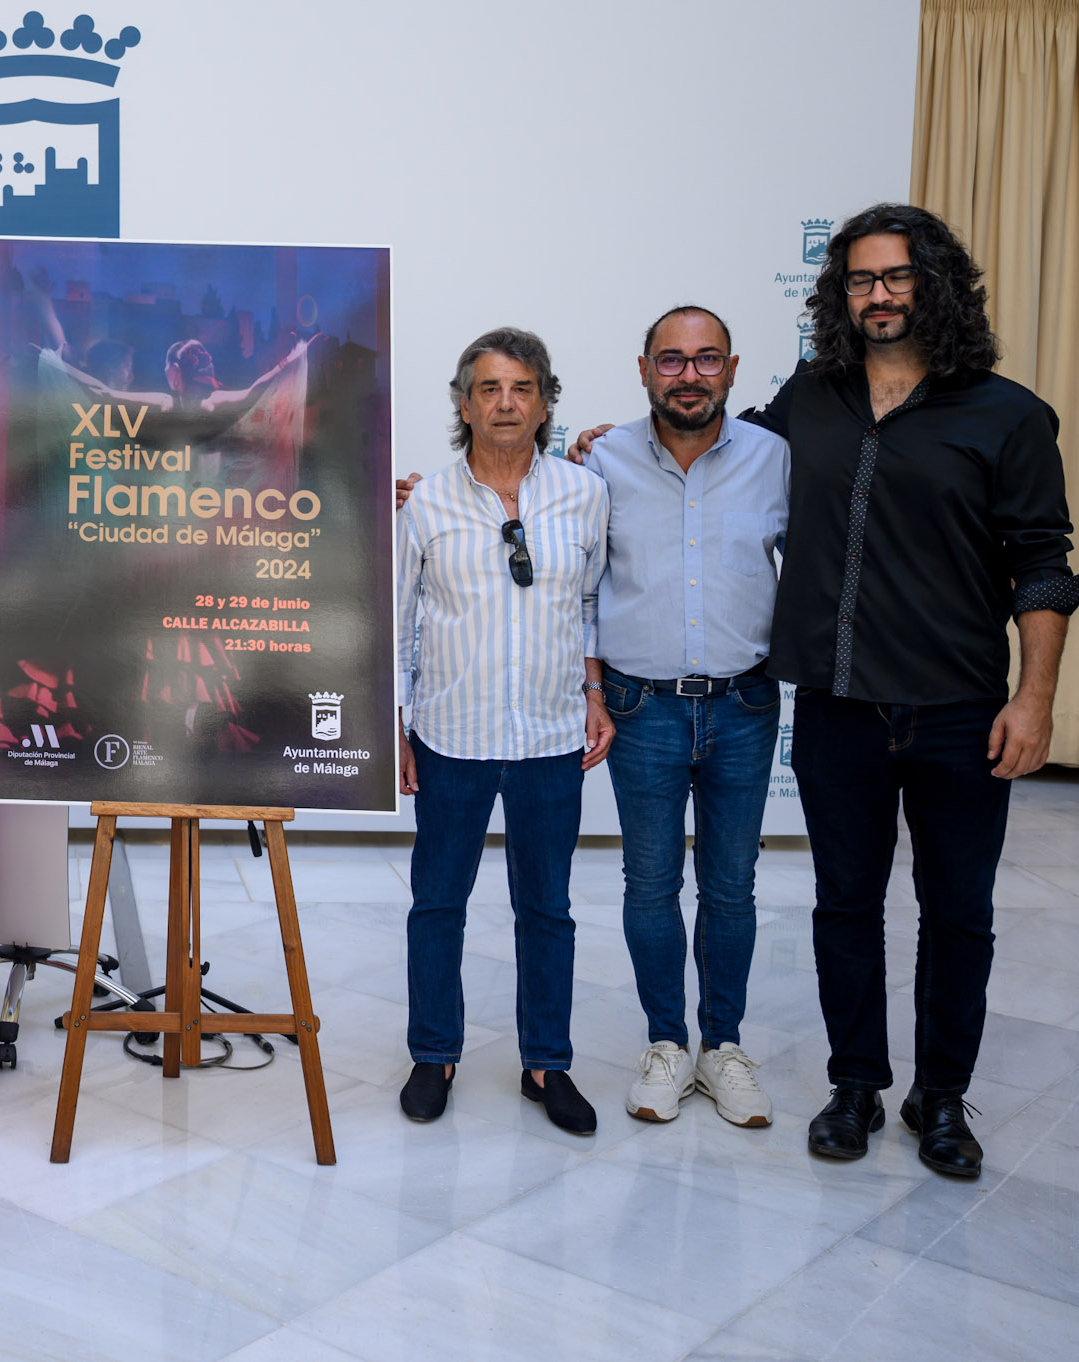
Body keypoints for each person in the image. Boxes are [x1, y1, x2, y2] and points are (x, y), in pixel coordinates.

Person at [749, 206, 1074, 1176]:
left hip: (957, 709)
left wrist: (1034, 698)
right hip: (837, 706)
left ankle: (939, 1097)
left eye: (895, 277)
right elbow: (718, 471)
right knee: (843, 904)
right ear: (836, 293)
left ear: (935, 284)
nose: (877, 295)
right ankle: (853, 1085)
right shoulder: (808, 397)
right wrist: (612, 448)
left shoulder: (1005, 413)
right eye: (858, 280)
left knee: (956, 912)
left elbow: (1043, 566)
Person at [394, 327, 612, 1136]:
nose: (506, 402)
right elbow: (400, 619)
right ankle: (433, 1053)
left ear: (546, 400)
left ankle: (545, 1062)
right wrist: (399, 727)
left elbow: (591, 603)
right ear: (463, 403)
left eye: (522, 388)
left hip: (551, 737)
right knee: (437, 903)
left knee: (546, 908)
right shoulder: (426, 503)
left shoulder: (584, 495)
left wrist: (593, 691)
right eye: (489, 388)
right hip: (451, 735)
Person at [582, 307, 788, 1128]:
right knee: (650, 883)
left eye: (706, 361)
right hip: (641, 706)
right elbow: (579, 584)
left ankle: (724, 1046)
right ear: (643, 371)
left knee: (731, 889)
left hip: (744, 702)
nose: (690, 375)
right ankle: (667, 1043)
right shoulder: (600, 459)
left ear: (733, 370)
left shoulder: (776, 460)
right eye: (672, 361)